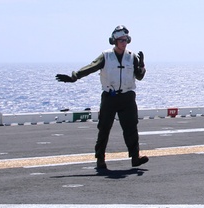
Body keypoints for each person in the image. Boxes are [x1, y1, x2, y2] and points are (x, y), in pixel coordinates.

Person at [56, 25, 148, 171]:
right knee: (104, 128)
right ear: (114, 41)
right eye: (121, 40)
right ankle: (100, 158)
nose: (124, 43)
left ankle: (135, 157)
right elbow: (91, 67)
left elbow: (139, 76)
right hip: (110, 97)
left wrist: (142, 66)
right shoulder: (106, 56)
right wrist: (74, 77)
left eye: (126, 40)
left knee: (131, 128)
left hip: (128, 97)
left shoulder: (132, 57)